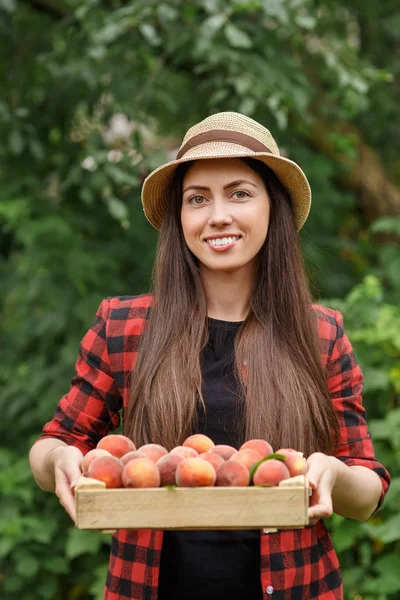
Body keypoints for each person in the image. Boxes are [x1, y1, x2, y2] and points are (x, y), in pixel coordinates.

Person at [29, 112, 390, 600]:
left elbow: (367, 492)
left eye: (239, 193)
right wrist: (61, 460)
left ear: (272, 208)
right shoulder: (124, 327)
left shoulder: (320, 334)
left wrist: (335, 473)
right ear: (180, 219)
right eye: (197, 199)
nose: (218, 215)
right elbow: (53, 443)